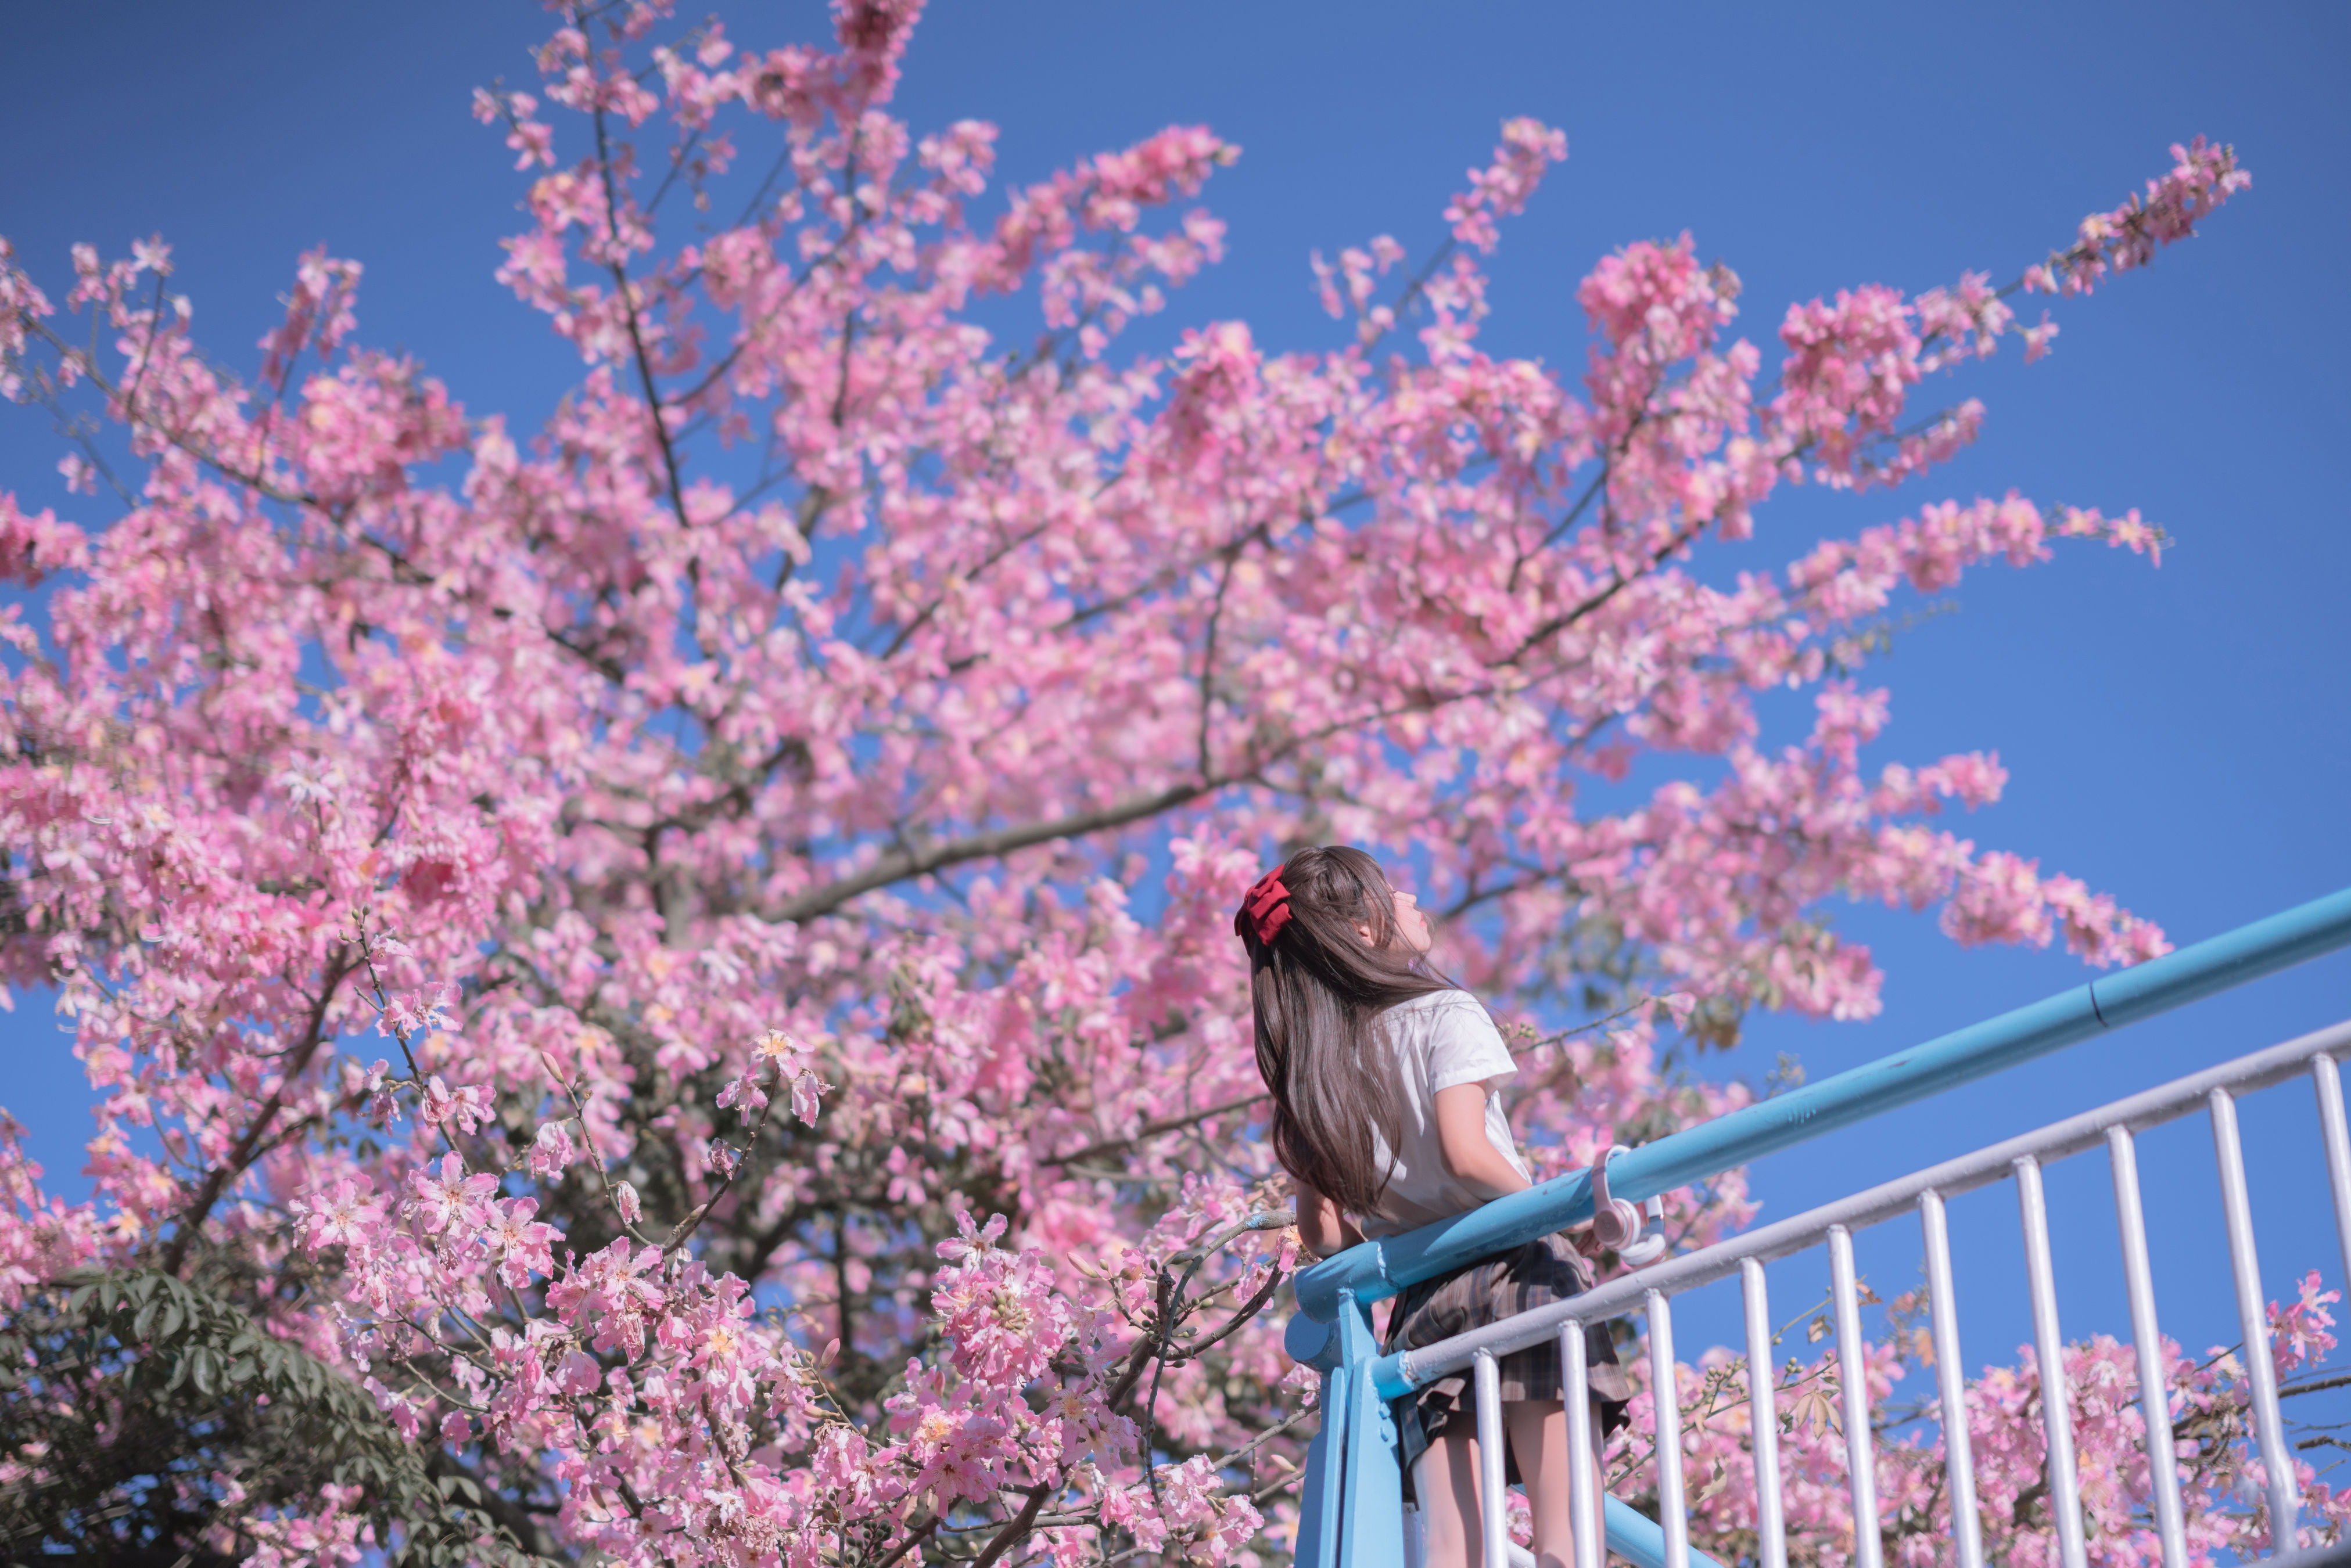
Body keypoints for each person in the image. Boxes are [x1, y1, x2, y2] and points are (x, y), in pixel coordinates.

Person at [1234, 846, 1628, 1568]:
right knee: (1566, 1537)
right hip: (1521, 1272)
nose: (1414, 899)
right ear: (1362, 932)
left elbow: (1323, 1232)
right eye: (1392, 891)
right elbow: (1464, 1151)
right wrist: (1564, 1219)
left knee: (1456, 1546)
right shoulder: (1442, 1010)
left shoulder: (1317, 1077)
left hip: (1421, 1306)